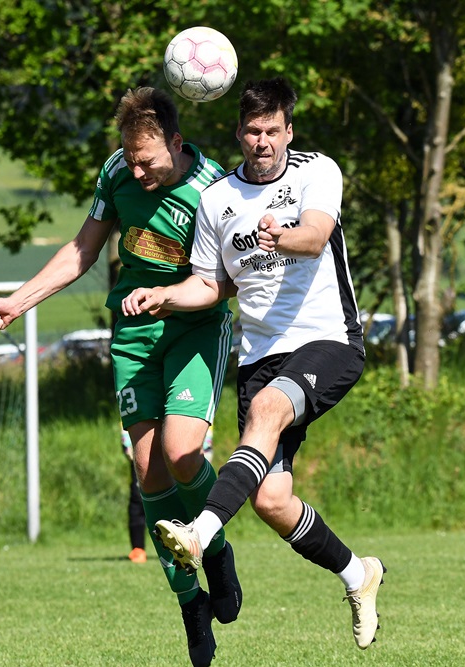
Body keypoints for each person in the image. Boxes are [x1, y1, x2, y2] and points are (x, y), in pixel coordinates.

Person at [0, 87, 241, 667]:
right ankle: (190, 604)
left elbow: (229, 282)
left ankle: (216, 550)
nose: (137, 171)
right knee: (147, 470)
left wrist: (170, 295)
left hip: (196, 329)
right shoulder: (117, 170)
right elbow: (82, 249)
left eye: (147, 160)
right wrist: (18, 302)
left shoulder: (217, 189)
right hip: (135, 332)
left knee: (182, 453)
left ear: (176, 141)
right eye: (130, 158)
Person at [121, 77, 386, 650]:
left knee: (268, 409)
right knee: (271, 500)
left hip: (327, 340)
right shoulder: (217, 199)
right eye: (251, 131)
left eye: (272, 130)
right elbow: (209, 284)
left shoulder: (318, 171)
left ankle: (201, 533)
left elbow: (315, 237)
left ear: (289, 131)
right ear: (238, 133)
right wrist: (164, 295)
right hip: (261, 355)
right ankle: (358, 574)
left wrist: (280, 236)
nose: (261, 141)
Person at [123, 424, 214, 565]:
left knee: (189, 494)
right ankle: (138, 548)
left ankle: (199, 541)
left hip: (188, 440)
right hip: (142, 434)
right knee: (139, 496)